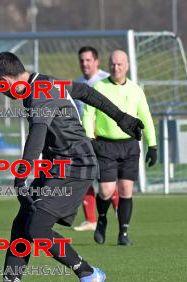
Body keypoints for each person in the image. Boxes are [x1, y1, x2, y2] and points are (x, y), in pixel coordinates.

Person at [0, 51, 145, 282]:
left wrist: (21, 174)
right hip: (56, 166)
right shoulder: (46, 82)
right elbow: (84, 91)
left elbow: (37, 134)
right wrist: (121, 117)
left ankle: (88, 274)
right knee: (22, 223)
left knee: (37, 227)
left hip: (76, 166)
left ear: (5, 80)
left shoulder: (39, 91)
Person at [82, 49, 157, 246]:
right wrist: (89, 137)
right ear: (108, 65)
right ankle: (102, 219)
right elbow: (88, 113)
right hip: (105, 145)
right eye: (113, 64)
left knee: (126, 189)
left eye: (120, 64)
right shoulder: (99, 87)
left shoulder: (135, 90)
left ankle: (123, 234)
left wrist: (153, 145)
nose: (116, 67)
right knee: (106, 190)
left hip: (130, 145)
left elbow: (146, 117)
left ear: (127, 66)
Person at [73, 46, 119, 232]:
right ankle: (90, 220)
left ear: (96, 61)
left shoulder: (107, 80)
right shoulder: (77, 84)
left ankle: (120, 213)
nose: (84, 64)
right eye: (82, 60)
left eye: (88, 60)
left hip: (103, 138)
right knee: (83, 176)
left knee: (105, 179)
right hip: (82, 139)